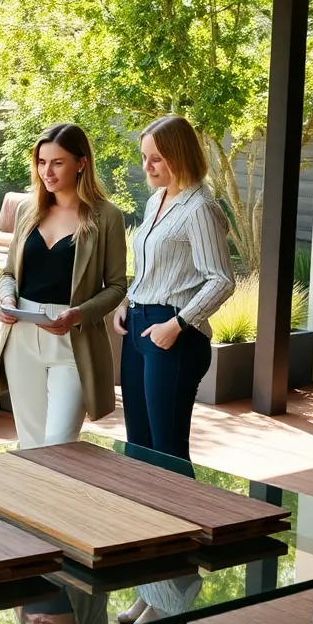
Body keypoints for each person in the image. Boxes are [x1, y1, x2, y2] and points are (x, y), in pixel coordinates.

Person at [0, 123, 127, 448]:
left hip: (73, 338)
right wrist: (7, 297)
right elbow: (8, 273)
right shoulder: (28, 209)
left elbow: (117, 286)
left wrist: (79, 314)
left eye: (57, 162)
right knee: (31, 443)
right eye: (41, 162)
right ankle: (32, 501)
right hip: (21, 336)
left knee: (59, 444)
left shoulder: (106, 216)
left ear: (81, 162)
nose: (46, 172)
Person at [114, 115, 235, 471]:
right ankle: (142, 524)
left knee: (167, 452)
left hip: (173, 334)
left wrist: (177, 324)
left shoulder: (200, 209)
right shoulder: (157, 200)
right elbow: (156, 266)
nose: (146, 166)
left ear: (179, 156)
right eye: (144, 156)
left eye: (156, 158)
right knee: (138, 446)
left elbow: (222, 280)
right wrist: (127, 300)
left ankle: (188, 525)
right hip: (138, 327)